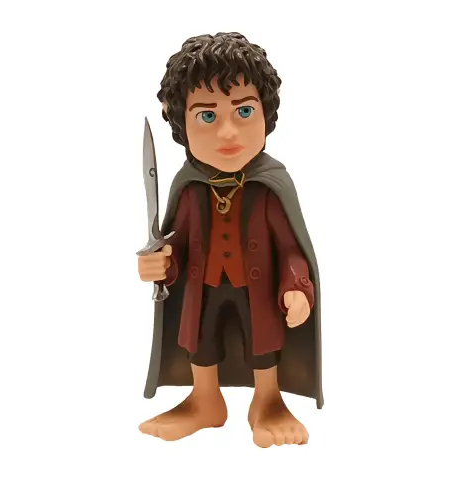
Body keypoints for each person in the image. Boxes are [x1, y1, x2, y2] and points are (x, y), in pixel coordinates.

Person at [137, 32, 323, 448]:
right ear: (177, 119)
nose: (227, 133)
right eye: (206, 115)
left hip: (256, 289)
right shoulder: (190, 187)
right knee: (200, 340)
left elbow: (291, 248)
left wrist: (297, 286)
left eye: (244, 111)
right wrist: (161, 263)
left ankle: (268, 400)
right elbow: (176, 244)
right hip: (203, 287)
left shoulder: (271, 186)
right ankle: (205, 400)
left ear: (266, 112)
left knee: (263, 341)